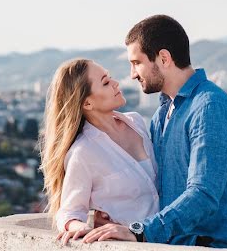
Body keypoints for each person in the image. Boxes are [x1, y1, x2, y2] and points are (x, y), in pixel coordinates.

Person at [82, 14, 227, 249]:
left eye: (136, 63)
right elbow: (153, 188)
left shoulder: (210, 107)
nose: (132, 74)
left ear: (163, 58)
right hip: (175, 245)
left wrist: (141, 231)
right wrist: (117, 216)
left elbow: (203, 195)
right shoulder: (162, 115)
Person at [40, 58, 159, 245]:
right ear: (87, 104)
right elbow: (69, 213)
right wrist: (83, 228)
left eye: (110, 77)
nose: (115, 83)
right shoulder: (83, 153)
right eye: (105, 82)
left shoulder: (137, 123)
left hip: (170, 240)